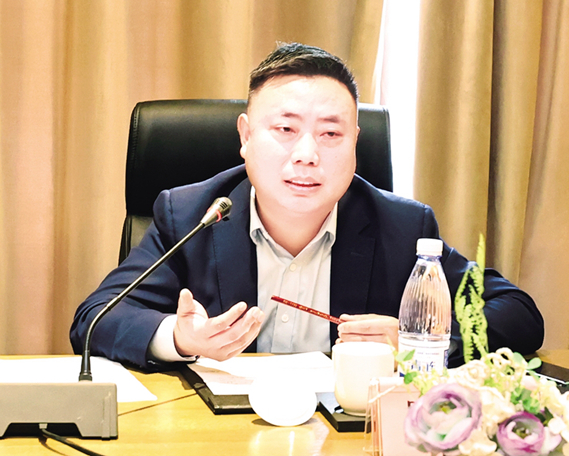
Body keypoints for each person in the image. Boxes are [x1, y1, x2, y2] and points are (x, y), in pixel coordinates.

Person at [70, 43, 544, 371]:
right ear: (246, 136)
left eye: (331, 133)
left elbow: (517, 312)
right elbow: (95, 319)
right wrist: (179, 337)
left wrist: (418, 341)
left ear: (355, 143)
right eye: (285, 129)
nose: (307, 154)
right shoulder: (191, 214)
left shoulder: (401, 226)